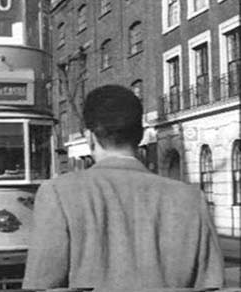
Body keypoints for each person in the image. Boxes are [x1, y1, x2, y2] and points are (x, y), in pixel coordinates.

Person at [22, 85, 224, 291]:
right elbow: (211, 285)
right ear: (141, 135)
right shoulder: (190, 199)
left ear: (90, 137)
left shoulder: (58, 194)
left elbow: (41, 284)